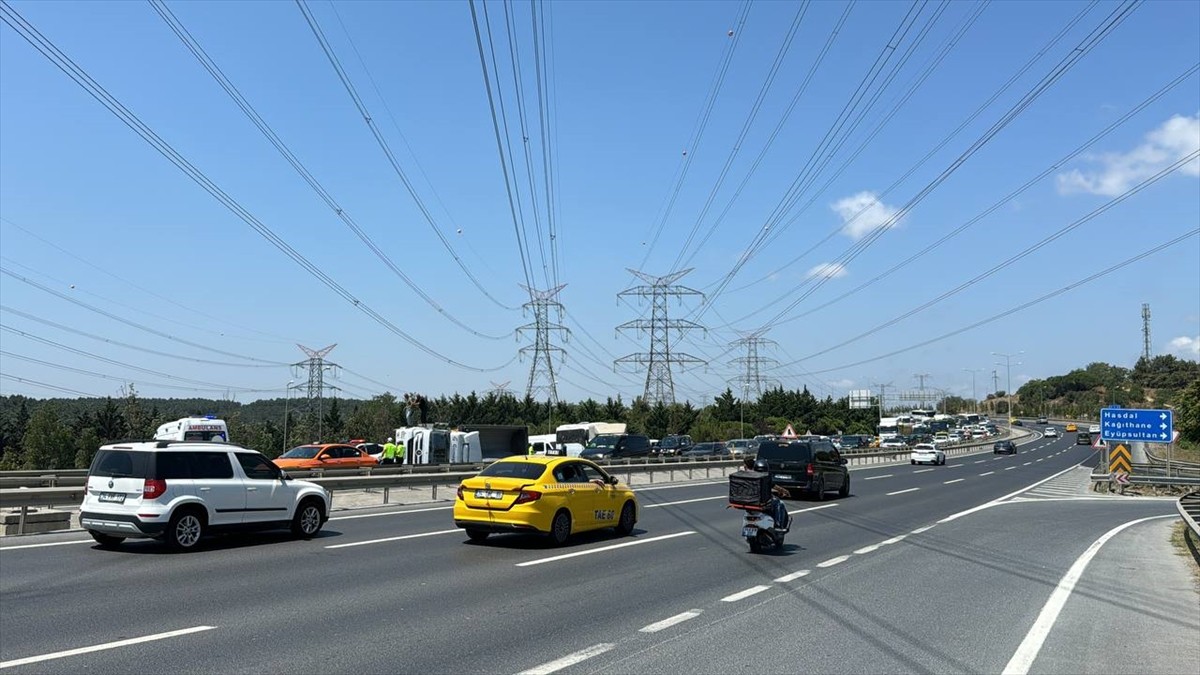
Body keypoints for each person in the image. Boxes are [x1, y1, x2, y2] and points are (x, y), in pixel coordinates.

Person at [742, 457, 790, 532]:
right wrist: (784, 491)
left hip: (748, 502)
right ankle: (778, 525)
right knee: (779, 504)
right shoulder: (764, 478)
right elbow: (773, 486)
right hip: (760, 502)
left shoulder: (744, 476)